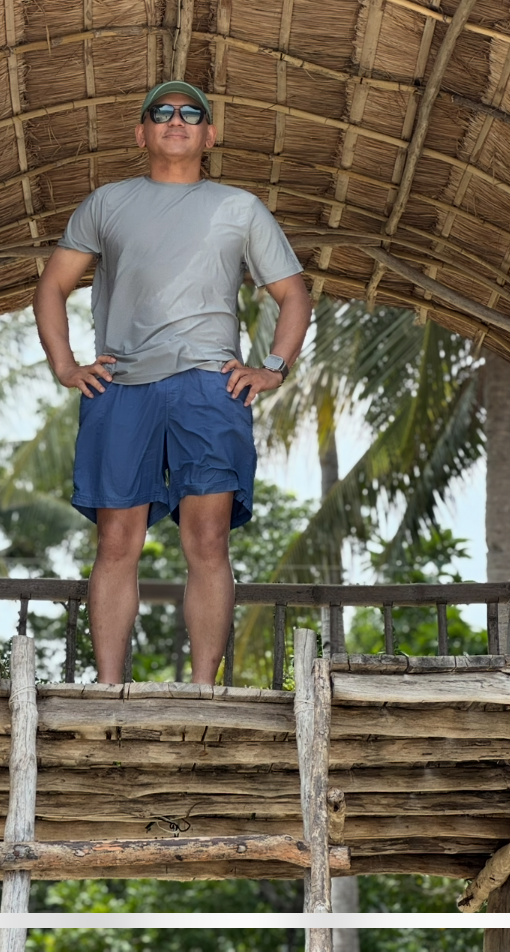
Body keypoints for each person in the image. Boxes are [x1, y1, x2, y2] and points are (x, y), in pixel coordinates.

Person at [33, 81, 312, 686]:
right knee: (116, 539)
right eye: (162, 112)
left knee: (208, 538)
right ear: (142, 133)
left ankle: (206, 691)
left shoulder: (241, 207)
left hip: (211, 386)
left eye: (192, 113)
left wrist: (274, 368)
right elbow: (51, 286)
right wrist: (65, 365)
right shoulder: (106, 203)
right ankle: (109, 690)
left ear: (210, 135)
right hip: (121, 384)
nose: (177, 119)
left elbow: (293, 293)